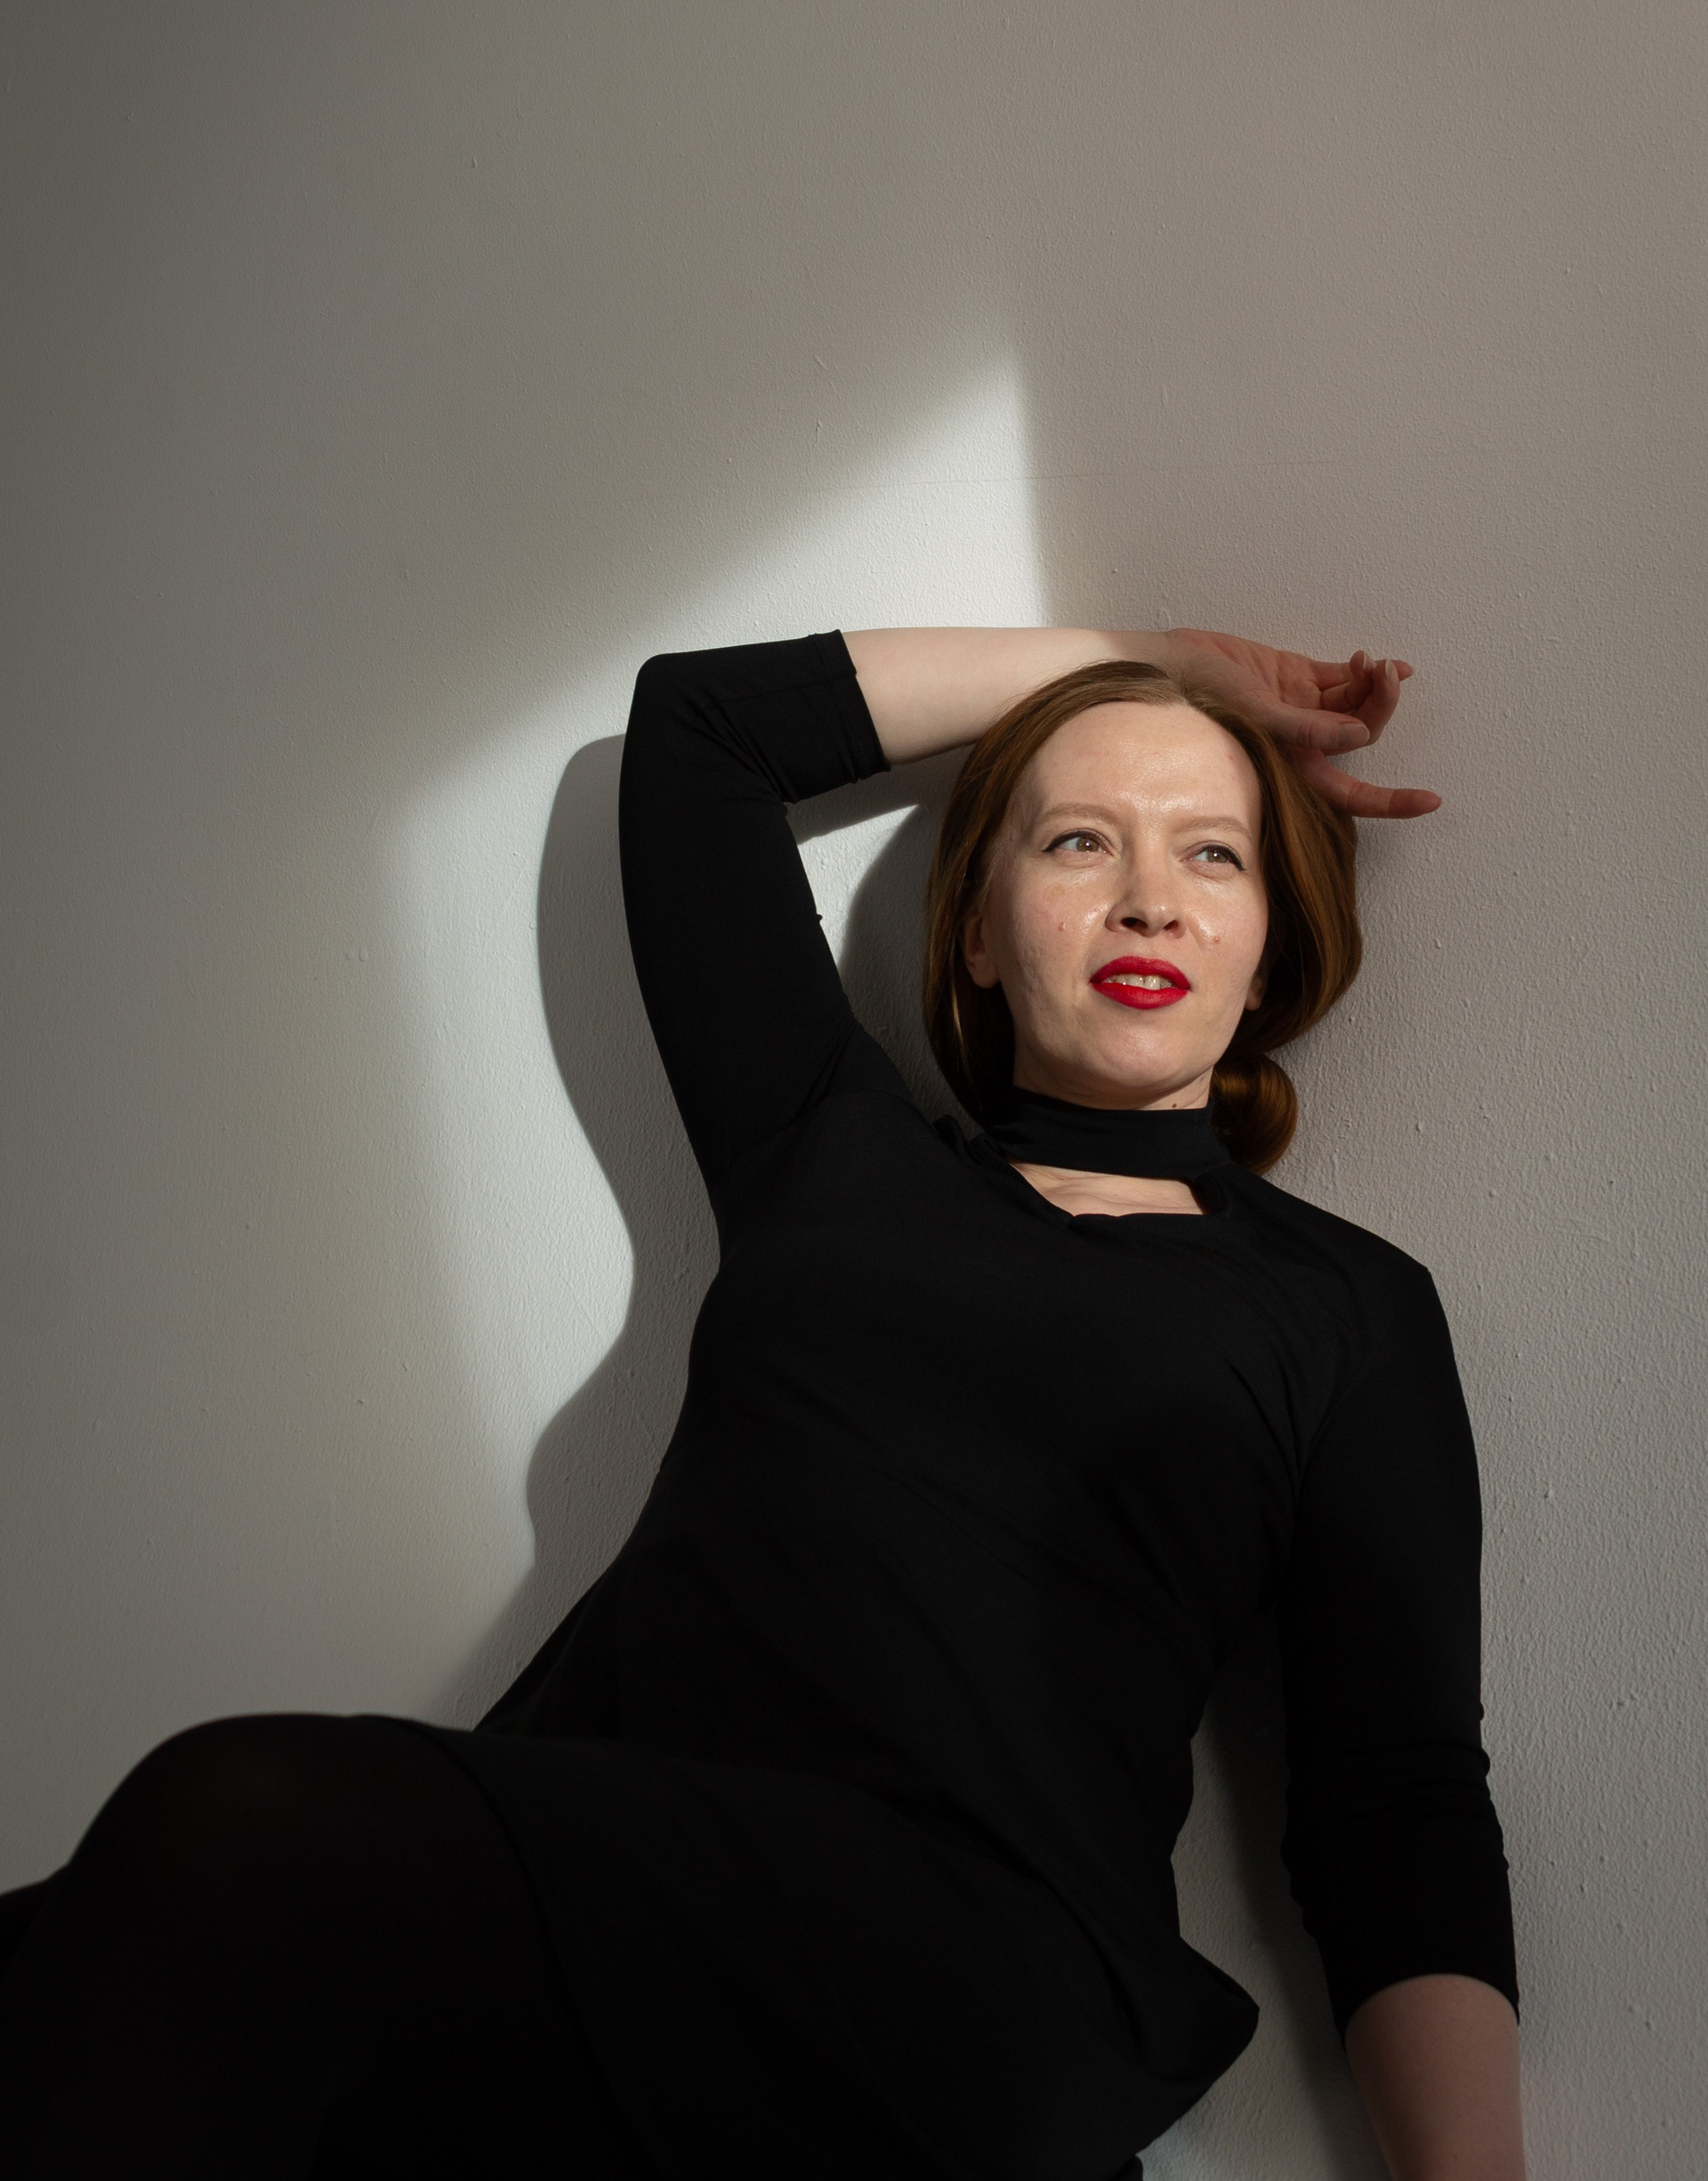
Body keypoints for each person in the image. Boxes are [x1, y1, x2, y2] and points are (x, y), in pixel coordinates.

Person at [0, 622, 1525, 2181]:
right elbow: (704, 734)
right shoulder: (830, 1151)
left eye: (1213, 854)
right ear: (977, 932)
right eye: (1079, 841)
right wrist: (1150, 658)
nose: (1148, 897)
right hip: (617, 1893)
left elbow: (1396, 1802)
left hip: (967, 1973)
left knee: (235, 1825)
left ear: (1269, 946)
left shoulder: (1342, 1307)